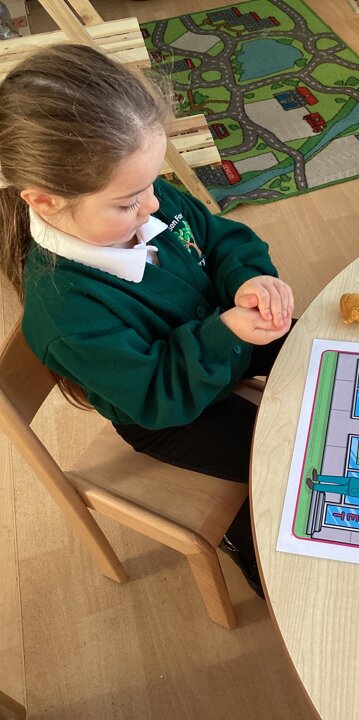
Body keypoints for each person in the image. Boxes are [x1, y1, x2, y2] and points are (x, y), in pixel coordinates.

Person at [0, 44, 295, 598]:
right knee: (281, 458)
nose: (153, 206)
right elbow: (159, 395)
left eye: (153, 184)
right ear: (44, 202)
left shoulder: (142, 196)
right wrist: (226, 332)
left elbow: (219, 239)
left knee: (322, 350)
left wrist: (249, 280)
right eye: (128, 202)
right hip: (169, 411)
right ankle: (241, 538)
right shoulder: (66, 315)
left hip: (218, 335)